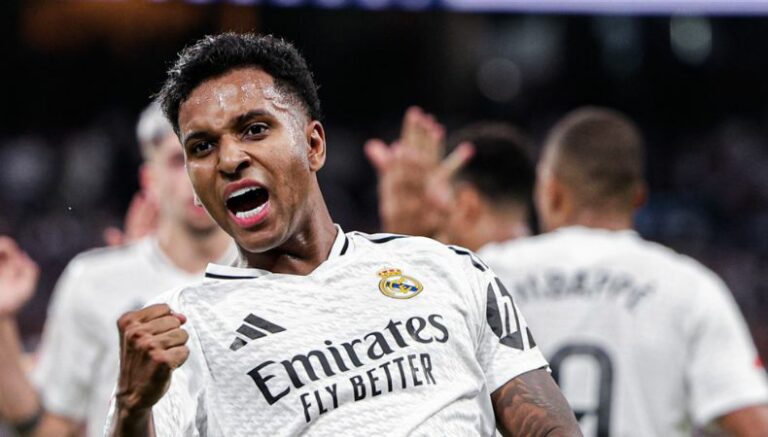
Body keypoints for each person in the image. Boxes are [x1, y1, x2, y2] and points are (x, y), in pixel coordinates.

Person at [106, 33, 581, 437]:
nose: (229, 159)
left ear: (313, 145)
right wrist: (130, 408)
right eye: (202, 146)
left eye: (254, 129)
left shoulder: (448, 269)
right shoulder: (183, 328)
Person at [477, 107, 768, 436]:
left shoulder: (486, 274)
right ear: (638, 198)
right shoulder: (689, 287)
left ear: (552, 192)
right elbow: (755, 426)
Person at [0, 103, 235, 437]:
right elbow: (50, 427)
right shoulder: (94, 281)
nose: (195, 176)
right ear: (150, 180)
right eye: (176, 161)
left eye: (205, 153)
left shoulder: (275, 275)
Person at [365, 108, 535, 250]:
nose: (439, 239)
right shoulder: (545, 263)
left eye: (440, 232)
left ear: (468, 209)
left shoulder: (469, 274)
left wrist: (407, 242)